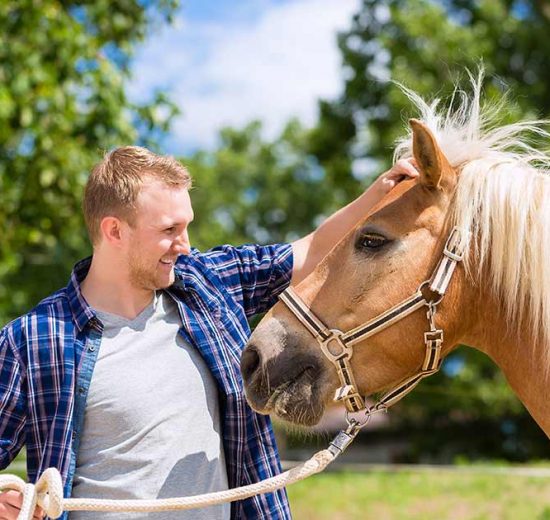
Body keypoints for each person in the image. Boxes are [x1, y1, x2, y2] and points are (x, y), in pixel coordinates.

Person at [0, 147, 418, 520]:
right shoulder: (33, 342)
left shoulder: (208, 283)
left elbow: (309, 252)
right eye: (168, 230)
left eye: (187, 226)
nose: (184, 244)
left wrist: (379, 194)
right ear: (114, 231)